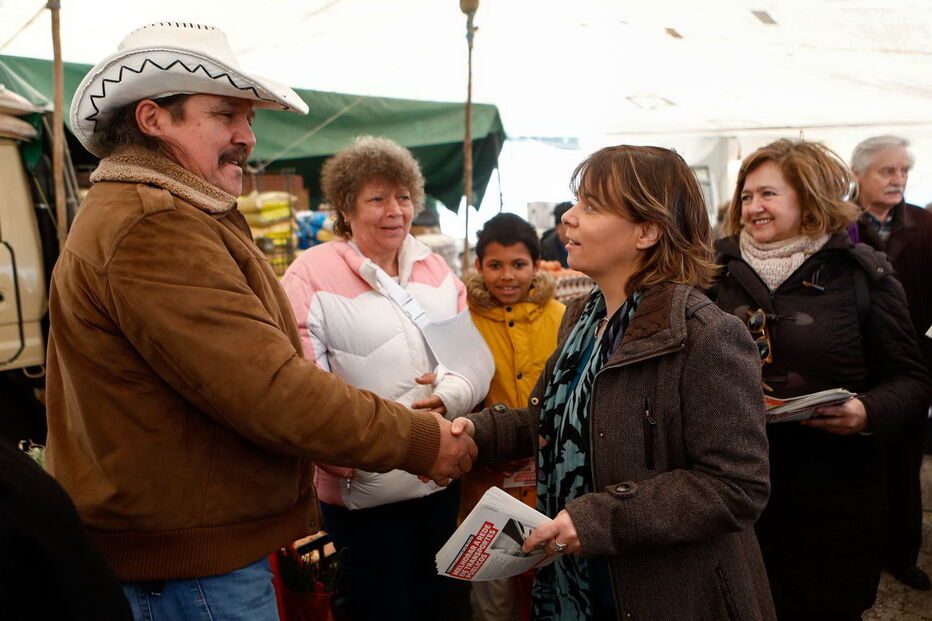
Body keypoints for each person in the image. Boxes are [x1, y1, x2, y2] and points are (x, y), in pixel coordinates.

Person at [48, 23, 475, 620]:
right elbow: (268, 388)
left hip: (194, 556)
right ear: (152, 118)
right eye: (226, 116)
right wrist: (419, 440)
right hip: (191, 568)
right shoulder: (153, 224)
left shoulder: (168, 213)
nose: (246, 137)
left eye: (248, 120)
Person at [458, 145, 775, 620]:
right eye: (576, 202)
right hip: (575, 579)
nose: (569, 218)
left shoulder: (706, 335)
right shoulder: (581, 319)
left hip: (663, 593)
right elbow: (554, 420)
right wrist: (475, 432)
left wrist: (595, 518)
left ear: (647, 231)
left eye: (591, 205)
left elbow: (735, 485)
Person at [712, 139, 931, 619]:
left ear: (808, 199)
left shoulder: (862, 277)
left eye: (768, 194)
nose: (753, 207)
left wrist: (867, 412)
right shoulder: (713, 278)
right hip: (735, 496)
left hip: (835, 496)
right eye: (747, 196)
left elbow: (911, 380)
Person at [281, 135, 493, 621]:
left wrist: (451, 400)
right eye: (376, 198)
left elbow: (474, 364)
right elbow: (303, 383)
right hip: (364, 496)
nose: (394, 210)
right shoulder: (310, 274)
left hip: (441, 481)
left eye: (402, 196)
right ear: (345, 208)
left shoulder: (435, 269)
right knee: (375, 608)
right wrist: (348, 466)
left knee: (440, 604)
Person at [459, 212, 565, 621]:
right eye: (495, 265)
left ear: (536, 265)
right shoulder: (464, 321)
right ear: (479, 266)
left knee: (552, 593)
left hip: (551, 488)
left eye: (519, 265)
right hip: (488, 488)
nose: (507, 276)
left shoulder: (561, 316)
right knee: (493, 600)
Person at [852, 135, 932, 591]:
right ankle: (859, 550)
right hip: (852, 363)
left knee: (905, 464)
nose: (898, 179)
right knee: (856, 465)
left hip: (911, 364)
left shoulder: (924, 224)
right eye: (888, 171)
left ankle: (903, 555)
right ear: (858, 175)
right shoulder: (835, 224)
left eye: (903, 171)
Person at [539, 201, 572, 267]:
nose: (573, 226)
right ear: (558, 227)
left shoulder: (582, 242)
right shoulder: (546, 248)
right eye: (568, 224)